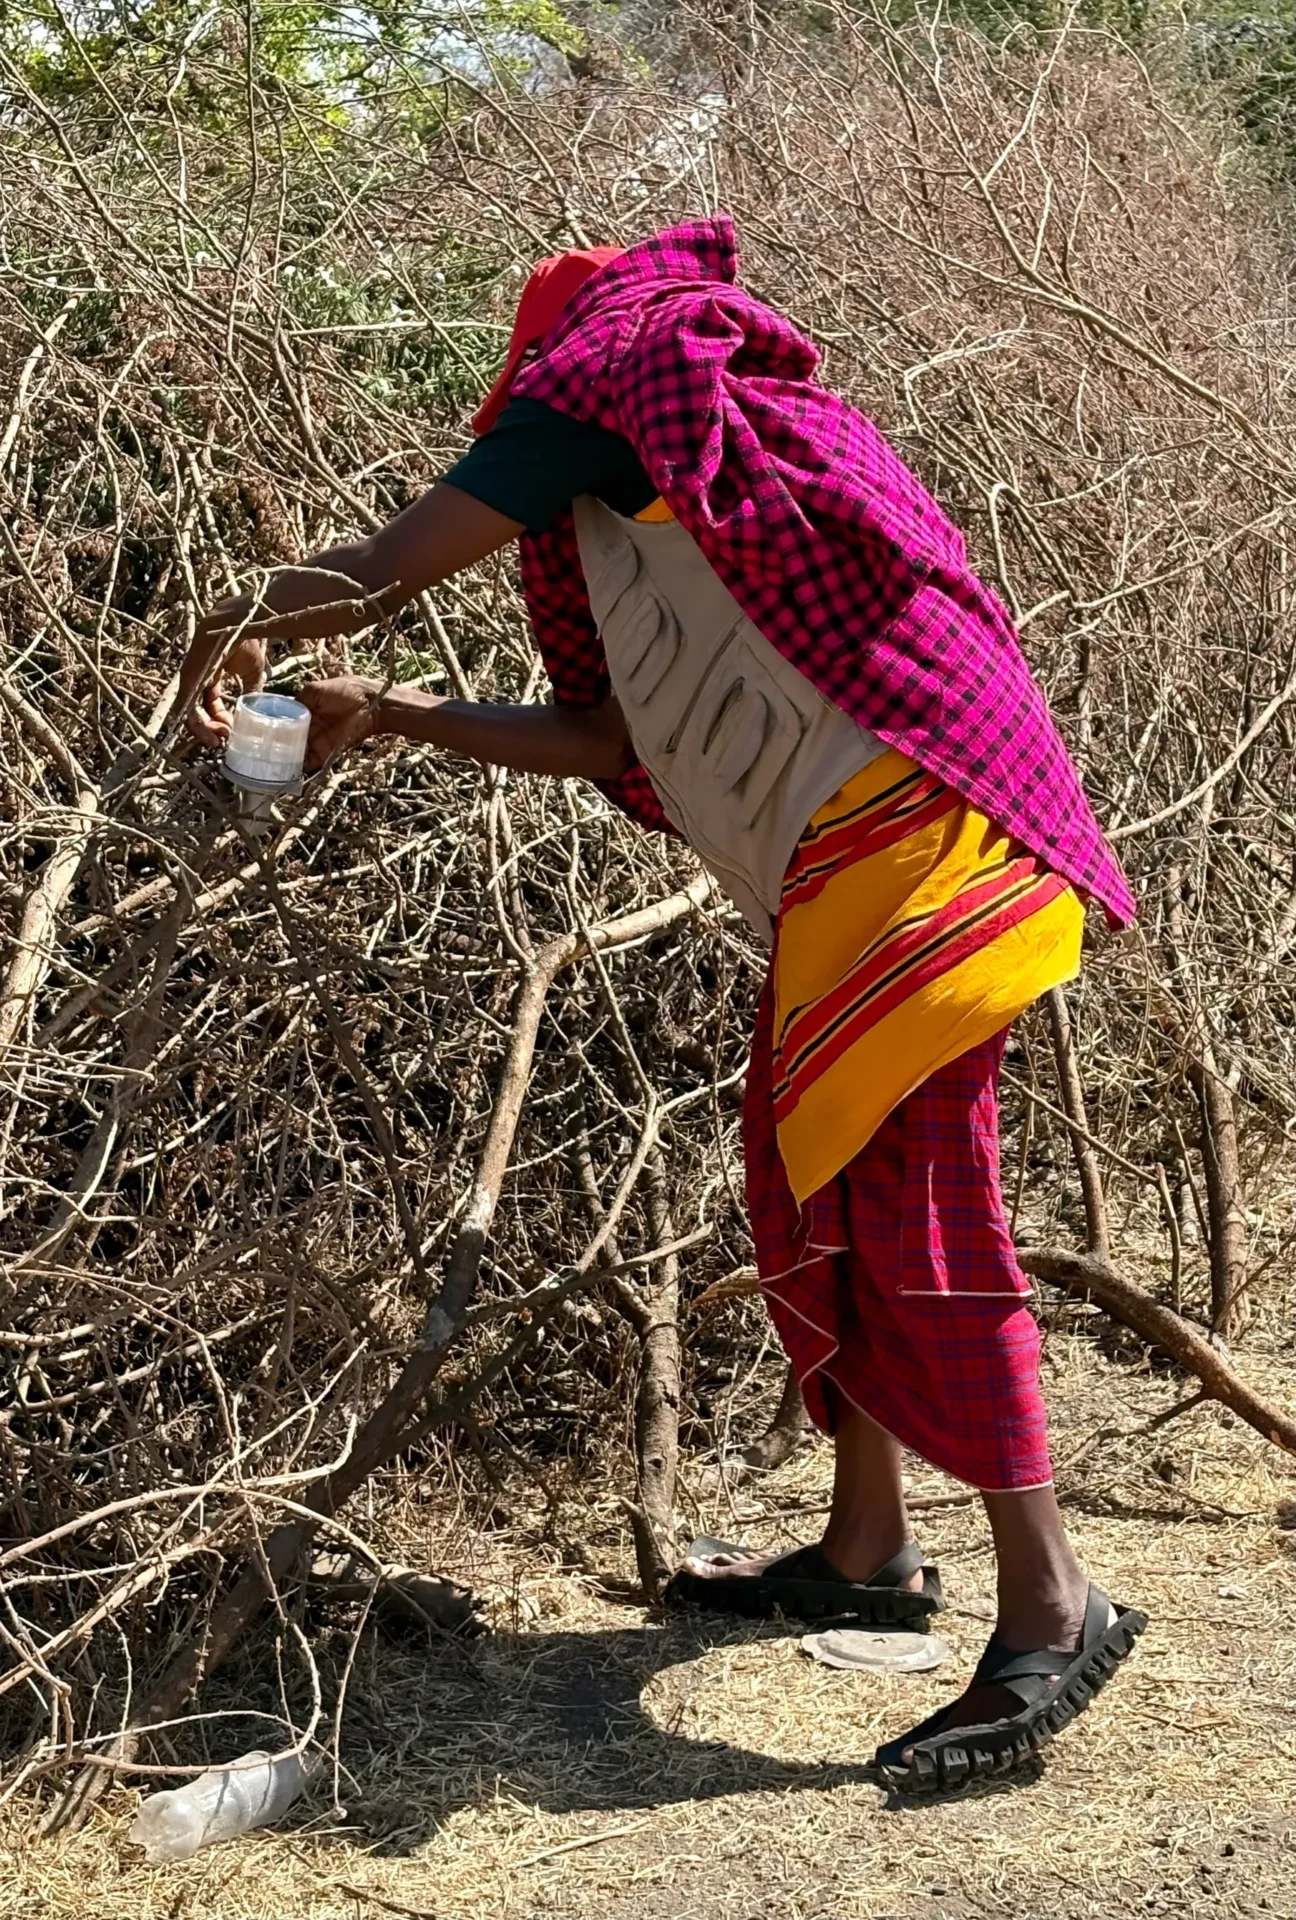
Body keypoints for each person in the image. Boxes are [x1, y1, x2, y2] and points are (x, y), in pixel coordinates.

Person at [180, 217, 1145, 1790]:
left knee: (923, 1214)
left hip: (915, 844)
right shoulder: (698, 467)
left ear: (547, 356)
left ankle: (1055, 1602)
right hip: (905, 833)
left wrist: (231, 635)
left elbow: (372, 572)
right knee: (814, 1169)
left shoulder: (600, 379)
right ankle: (867, 1549)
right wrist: (397, 717)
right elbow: (607, 733)